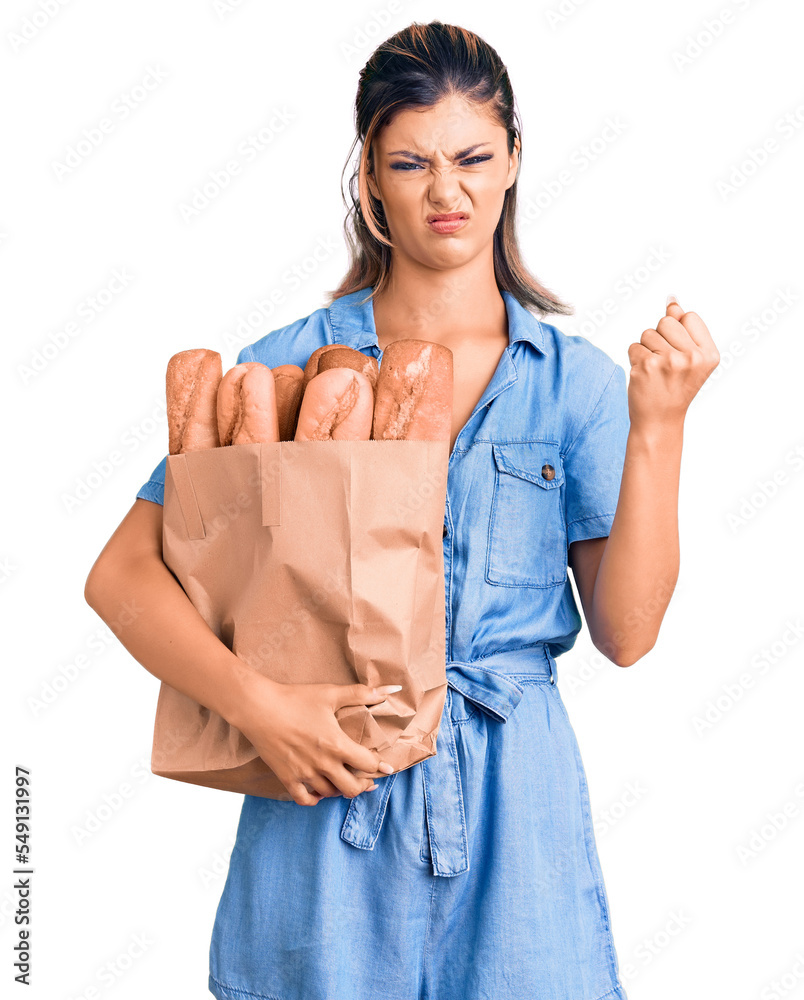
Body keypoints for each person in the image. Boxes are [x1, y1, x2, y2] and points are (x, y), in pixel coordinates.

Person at [84, 20, 719, 1000]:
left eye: (471, 157)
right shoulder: (290, 366)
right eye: (410, 162)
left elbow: (627, 632)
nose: (446, 190)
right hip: (322, 807)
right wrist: (260, 706)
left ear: (513, 162)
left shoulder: (575, 386)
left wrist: (660, 425)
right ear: (369, 179)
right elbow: (120, 574)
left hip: (518, 826)